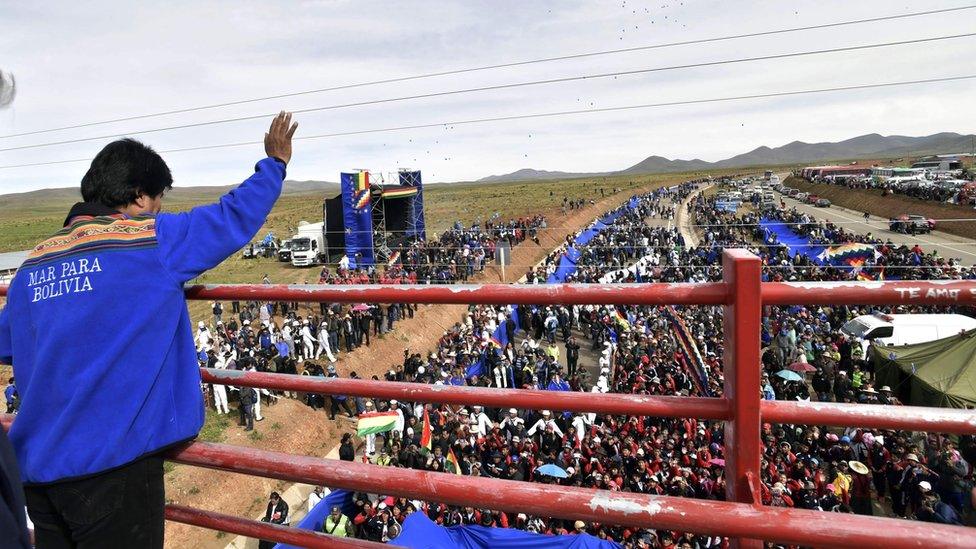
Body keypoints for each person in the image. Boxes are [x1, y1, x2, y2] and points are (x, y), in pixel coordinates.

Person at [0, 112, 298, 548]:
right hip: (112, 471)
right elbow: (231, 218)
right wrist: (275, 164)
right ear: (139, 196)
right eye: (159, 198)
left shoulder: (33, 265)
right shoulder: (151, 239)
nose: (160, 208)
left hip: (40, 477)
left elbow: (10, 343)